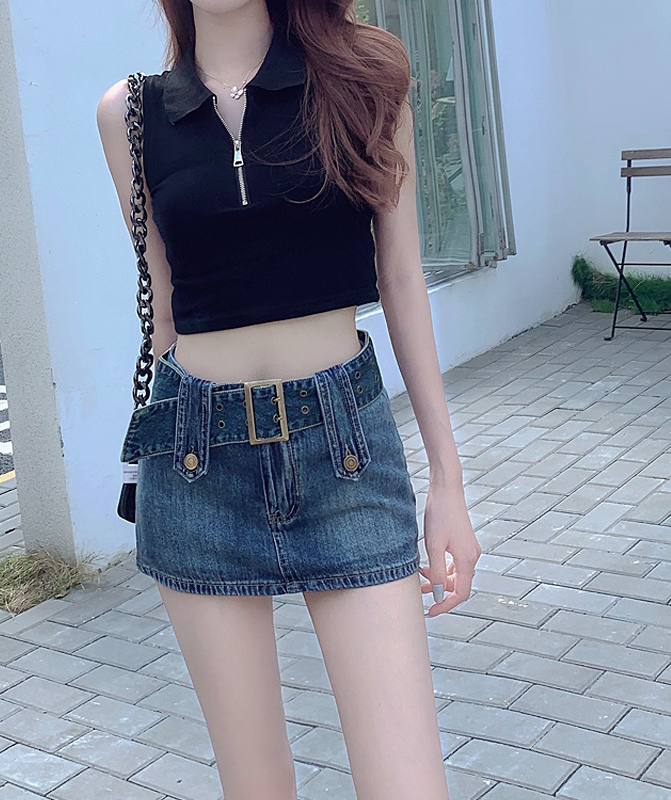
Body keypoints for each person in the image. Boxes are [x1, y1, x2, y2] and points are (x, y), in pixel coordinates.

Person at [96, 1, 481, 797]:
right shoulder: (130, 114)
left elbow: (401, 278)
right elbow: (164, 312)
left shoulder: (365, 76)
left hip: (346, 452)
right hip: (197, 462)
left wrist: (448, 482)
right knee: (257, 787)